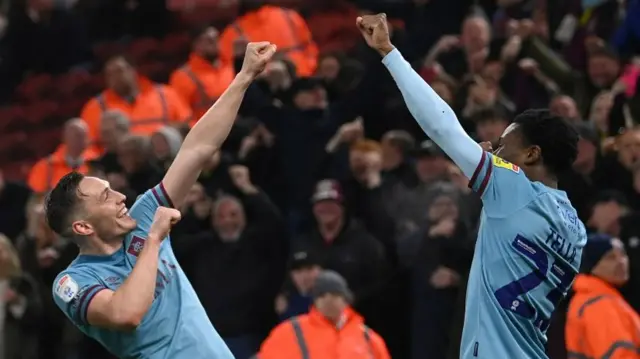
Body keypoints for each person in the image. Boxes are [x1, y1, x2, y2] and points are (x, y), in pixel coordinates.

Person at [356, 14, 587, 359]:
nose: (492, 148)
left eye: (503, 143)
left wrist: (389, 52)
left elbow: (443, 127)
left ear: (531, 153)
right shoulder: (575, 229)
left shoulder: (514, 190)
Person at [46, 42, 277, 358]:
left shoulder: (143, 215)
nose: (119, 196)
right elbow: (125, 315)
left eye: (111, 188)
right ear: (84, 226)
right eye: (104, 197)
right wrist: (153, 239)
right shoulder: (72, 281)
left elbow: (198, 149)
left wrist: (244, 76)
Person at [565, 234, 640, 359]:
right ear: (592, 265)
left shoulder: (598, 297)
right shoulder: (598, 303)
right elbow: (620, 355)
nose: (621, 261)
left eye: (623, 254)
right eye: (610, 257)